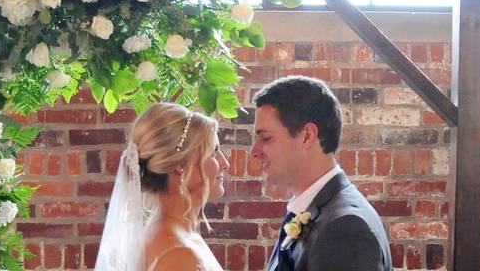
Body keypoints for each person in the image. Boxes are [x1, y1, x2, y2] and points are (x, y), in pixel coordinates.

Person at [251, 76, 391, 271]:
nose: (254, 151)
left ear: (307, 136)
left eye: (265, 138)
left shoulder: (345, 230)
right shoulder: (315, 211)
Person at [95, 102, 231, 271]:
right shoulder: (178, 256)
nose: (225, 164)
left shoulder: (181, 234)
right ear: (180, 165)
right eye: (213, 152)